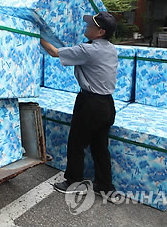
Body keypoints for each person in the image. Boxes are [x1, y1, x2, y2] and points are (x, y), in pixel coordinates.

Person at [40, 11, 122, 203]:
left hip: (90, 103)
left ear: (100, 31)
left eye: (91, 25)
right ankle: (105, 186)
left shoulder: (89, 50)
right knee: (100, 147)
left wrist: (36, 35)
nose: (86, 27)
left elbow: (53, 52)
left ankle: (72, 182)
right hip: (107, 104)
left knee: (77, 143)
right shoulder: (110, 49)